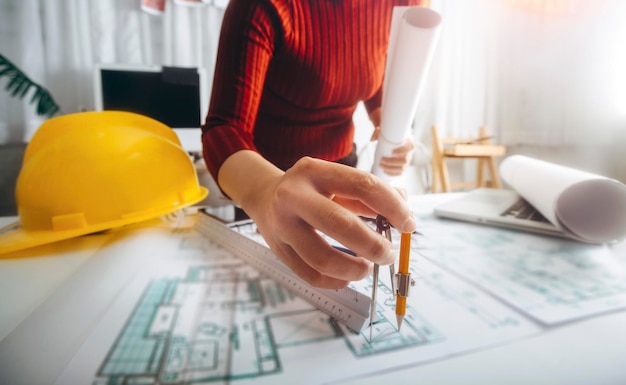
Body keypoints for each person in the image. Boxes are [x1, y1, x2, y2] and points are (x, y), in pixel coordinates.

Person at [201, 0, 422, 289]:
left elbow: (370, 70)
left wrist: (390, 126)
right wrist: (267, 193)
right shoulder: (264, 6)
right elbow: (223, 129)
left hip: (344, 173)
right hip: (269, 184)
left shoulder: (402, 4)